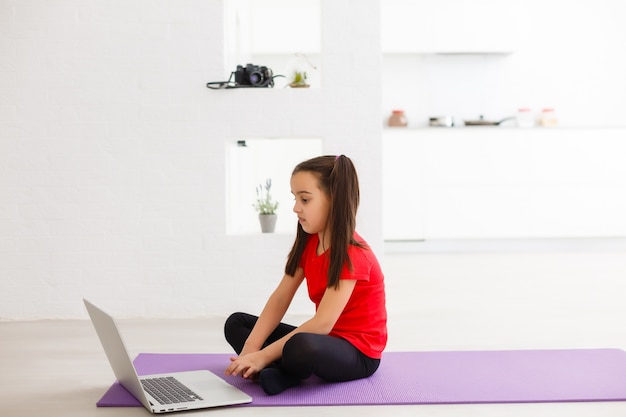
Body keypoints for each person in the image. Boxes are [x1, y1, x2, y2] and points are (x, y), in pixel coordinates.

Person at [223, 155, 387, 395]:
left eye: (305, 199)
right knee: (237, 322)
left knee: (301, 345)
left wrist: (264, 355)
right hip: (326, 338)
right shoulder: (310, 241)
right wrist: (251, 349)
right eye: (294, 198)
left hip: (359, 353)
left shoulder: (352, 253)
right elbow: (281, 297)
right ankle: (277, 371)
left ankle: (276, 368)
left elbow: (322, 323)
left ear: (334, 200)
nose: (295, 207)